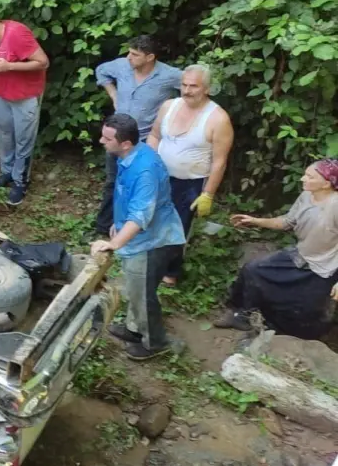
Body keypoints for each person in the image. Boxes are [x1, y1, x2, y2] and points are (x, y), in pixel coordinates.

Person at [90, 114, 186, 361]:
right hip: (138, 237)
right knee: (134, 289)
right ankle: (134, 329)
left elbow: (142, 214)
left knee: (142, 295)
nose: (101, 140)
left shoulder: (144, 170)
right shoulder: (128, 156)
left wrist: (114, 243)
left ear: (125, 143)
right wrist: (117, 224)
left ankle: (155, 343)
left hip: (154, 241)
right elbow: (128, 200)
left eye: (107, 138)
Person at [214, 159, 338, 340]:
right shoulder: (307, 196)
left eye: (310, 177)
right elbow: (288, 221)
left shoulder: (335, 206)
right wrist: (256, 221)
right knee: (253, 270)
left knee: (308, 310)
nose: (303, 178)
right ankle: (242, 315)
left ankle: (292, 340)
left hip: (327, 266)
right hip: (301, 255)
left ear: (326, 183)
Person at [146, 65, 234, 285]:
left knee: (177, 226)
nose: (186, 90)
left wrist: (207, 194)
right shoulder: (169, 106)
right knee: (150, 216)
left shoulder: (218, 118)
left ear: (207, 88)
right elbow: (155, 136)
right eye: (184, 85)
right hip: (160, 176)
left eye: (193, 86)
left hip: (190, 183)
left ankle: (170, 272)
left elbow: (220, 161)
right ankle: (147, 258)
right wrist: (149, 164)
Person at [93, 36, 183, 236]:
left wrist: (176, 112)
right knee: (112, 181)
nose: (129, 57)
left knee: (140, 182)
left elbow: (193, 86)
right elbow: (101, 71)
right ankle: (103, 227)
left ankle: (134, 228)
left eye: (135, 54)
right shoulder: (122, 66)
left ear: (150, 57)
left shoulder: (169, 75)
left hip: (145, 139)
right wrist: (114, 95)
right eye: (129, 52)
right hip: (117, 137)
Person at [0, 13, 49, 206]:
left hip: (25, 96)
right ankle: (7, 172)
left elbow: (43, 62)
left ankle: (21, 181)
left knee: (24, 139)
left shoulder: (17, 33)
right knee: (4, 134)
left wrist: (9, 66)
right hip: (0, 93)